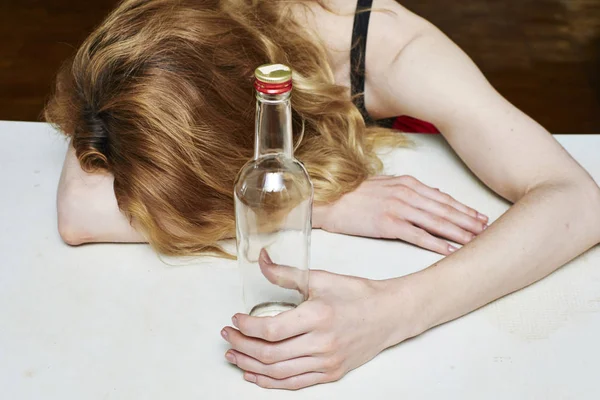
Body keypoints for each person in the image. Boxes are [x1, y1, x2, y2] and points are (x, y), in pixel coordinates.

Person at [45, 0, 600, 390]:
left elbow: (576, 200)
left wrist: (395, 311)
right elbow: (78, 211)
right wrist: (311, 202)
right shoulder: (160, 31)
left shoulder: (388, 47)